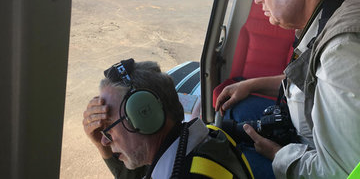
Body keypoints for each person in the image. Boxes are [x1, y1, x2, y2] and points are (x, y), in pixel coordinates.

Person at [215, 0, 360, 178]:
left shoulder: (341, 52)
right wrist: (251, 85)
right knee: (234, 109)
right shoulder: (337, 7)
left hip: (314, 160)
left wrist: (278, 155)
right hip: (305, 136)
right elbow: (312, 80)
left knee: (227, 159)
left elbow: (338, 173)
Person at [83, 58, 253, 179]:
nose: (105, 141)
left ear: (145, 115)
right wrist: (100, 145)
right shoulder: (210, 136)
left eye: (109, 128)